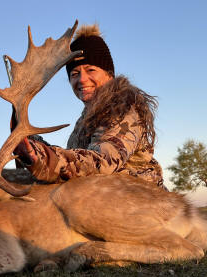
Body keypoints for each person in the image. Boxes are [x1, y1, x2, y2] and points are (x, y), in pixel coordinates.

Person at [14, 24, 164, 187]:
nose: (82, 79)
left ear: (109, 74)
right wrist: (31, 143)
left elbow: (103, 161)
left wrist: (45, 157)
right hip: (104, 197)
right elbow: (77, 160)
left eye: (90, 70)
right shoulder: (88, 116)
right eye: (74, 74)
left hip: (140, 202)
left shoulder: (124, 105)